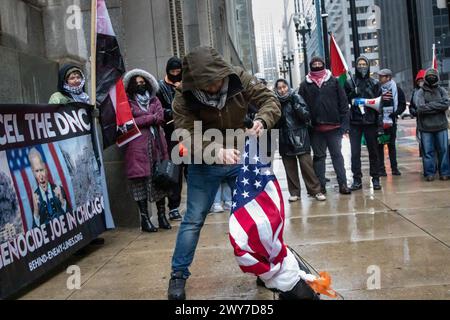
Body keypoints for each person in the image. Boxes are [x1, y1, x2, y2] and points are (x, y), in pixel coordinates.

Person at [167, 46, 316, 301]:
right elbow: (185, 135)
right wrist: (215, 151)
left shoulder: (238, 77)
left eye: (216, 80)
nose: (214, 87)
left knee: (258, 217)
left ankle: (265, 267)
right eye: (206, 84)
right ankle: (178, 275)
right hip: (205, 162)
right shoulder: (183, 97)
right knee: (193, 220)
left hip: (242, 159)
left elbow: (270, 101)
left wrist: (262, 120)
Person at [123, 69, 172, 232]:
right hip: (137, 148)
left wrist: (145, 120)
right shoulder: (127, 103)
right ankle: (144, 219)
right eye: (137, 82)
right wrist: (151, 118)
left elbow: (161, 117)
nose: (140, 84)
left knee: (160, 181)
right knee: (140, 184)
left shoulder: (155, 99)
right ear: (131, 85)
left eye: (143, 82)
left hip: (157, 145)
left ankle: (162, 216)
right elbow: (131, 122)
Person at [298, 57, 351, 195]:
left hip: (334, 128)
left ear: (323, 65)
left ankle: (343, 184)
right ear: (310, 66)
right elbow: (299, 105)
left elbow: (344, 104)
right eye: (314, 64)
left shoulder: (333, 81)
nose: (317, 66)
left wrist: (345, 126)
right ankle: (320, 187)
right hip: (315, 130)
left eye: (319, 64)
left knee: (337, 157)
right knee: (319, 158)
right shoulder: (304, 85)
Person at [275, 78, 326, 202]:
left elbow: (306, 116)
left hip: (300, 137)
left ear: (288, 86)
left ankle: (315, 191)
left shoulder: (296, 97)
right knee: (290, 168)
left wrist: (296, 105)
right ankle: (294, 192)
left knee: (307, 166)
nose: (282, 90)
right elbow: (275, 122)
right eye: (279, 88)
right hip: (285, 138)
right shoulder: (275, 102)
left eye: (284, 87)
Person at [345, 56, 383, 191]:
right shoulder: (350, 83)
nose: (362, 66)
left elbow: (379, 106)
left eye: (364, 64)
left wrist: (379, 127)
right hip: (355, 122)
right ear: (356, 66)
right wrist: (351, 95)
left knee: (373, 152)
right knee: (355, 153)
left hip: (371, 122)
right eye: (359, 64)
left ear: (368, 66)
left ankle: (376, 178)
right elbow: (345, 103)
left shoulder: (374, 83)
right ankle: (357, 179)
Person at [157, 57, 184, 221]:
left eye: (178, 71)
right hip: (172, 135)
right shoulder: (161, 88)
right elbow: (159, 109)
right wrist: (170, 112)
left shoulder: (187, 84)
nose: (175, 74)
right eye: (172, 72)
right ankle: (173, 206)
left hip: (187, 133)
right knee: (176, 170)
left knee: (191, 169)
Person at [413, 68, 450, 181]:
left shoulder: (442, 90)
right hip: (425, 128)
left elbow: (446, 104)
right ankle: (429, 173)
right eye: (429, 75)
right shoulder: (420, 92)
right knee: (428, 152)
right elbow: (420, 107)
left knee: (444, 150)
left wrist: (429, 105)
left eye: (434, 75)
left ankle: (445, 172)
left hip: (441, 126)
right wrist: (437, 106)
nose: (431, 77)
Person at [29, 148, 71, 228]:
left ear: (46, 169)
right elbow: (34, 232)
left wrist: (62, 202)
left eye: (41, 170)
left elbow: (72, 217)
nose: (40, 176)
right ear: (33, 173)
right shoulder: (35, 199)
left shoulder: (59, 189)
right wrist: (36, 212)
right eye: (37, 171)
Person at [377, 69, 406, 177]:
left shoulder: (397, 90)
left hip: (391, 122)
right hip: (380, 123)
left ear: (388, 77)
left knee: (391, 146)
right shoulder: (377, 89)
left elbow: (402, 104)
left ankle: (394, 168)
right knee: (379, 145)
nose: (379, 78)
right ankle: (381, 169)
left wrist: (395, 113)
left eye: (382, 76)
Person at [409, 69, 427, 157]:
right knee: (421, 140)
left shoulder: (429, 91)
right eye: (419, 81)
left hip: (428, 120)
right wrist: (414, 112)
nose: (421, 82)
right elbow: (411, 106)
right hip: (420, 121)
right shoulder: (415, 92)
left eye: (422, 80)